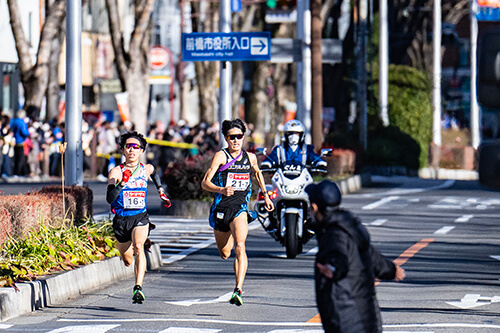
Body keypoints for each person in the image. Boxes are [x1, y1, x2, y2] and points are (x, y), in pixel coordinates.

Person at [305, 180, 405, 333]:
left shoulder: (333, 234)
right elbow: (373, 257)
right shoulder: (349, 226)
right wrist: (391, 269)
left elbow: (338, 257)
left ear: (315, 207)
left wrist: (333, 269)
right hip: (368, 318)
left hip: (345, 319)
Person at [201, 119, 274, 306]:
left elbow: (257, 173)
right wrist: (221, 190)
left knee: (240, 246)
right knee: (225, 253)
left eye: (239, 137)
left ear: (243, 138)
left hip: (240, 208)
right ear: (226, 138)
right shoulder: (221, 156)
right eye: (232, 137)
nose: (236, 140)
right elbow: (205, 183)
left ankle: (238, 289)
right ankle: (231, 235)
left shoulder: (250, 158)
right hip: (221, 209)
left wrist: (265, 196)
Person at [106, 131, 171, 304]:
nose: (132, 150)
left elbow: (154, 174)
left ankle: (138, 287)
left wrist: (161, 191)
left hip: (140, 217)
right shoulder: (116, 172)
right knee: (127, 259)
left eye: (136, 147)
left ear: (142, 150)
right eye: (129, 147)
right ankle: (128, 258)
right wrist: (120, 185)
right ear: (122, 150)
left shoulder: (145, 169)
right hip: (121, 221)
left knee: (139, 246)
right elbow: (109, 198)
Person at [260, 119, 327, 171]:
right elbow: (271, 159)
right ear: (285, 135)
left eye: (297, 134)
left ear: (302, 135)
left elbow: (314, 157)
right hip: (283, 180)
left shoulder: (307, 149)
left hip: (303, 180)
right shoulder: (279, 150)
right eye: (290, 133)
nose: (293, 136)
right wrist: (266, 164)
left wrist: (320, 163)